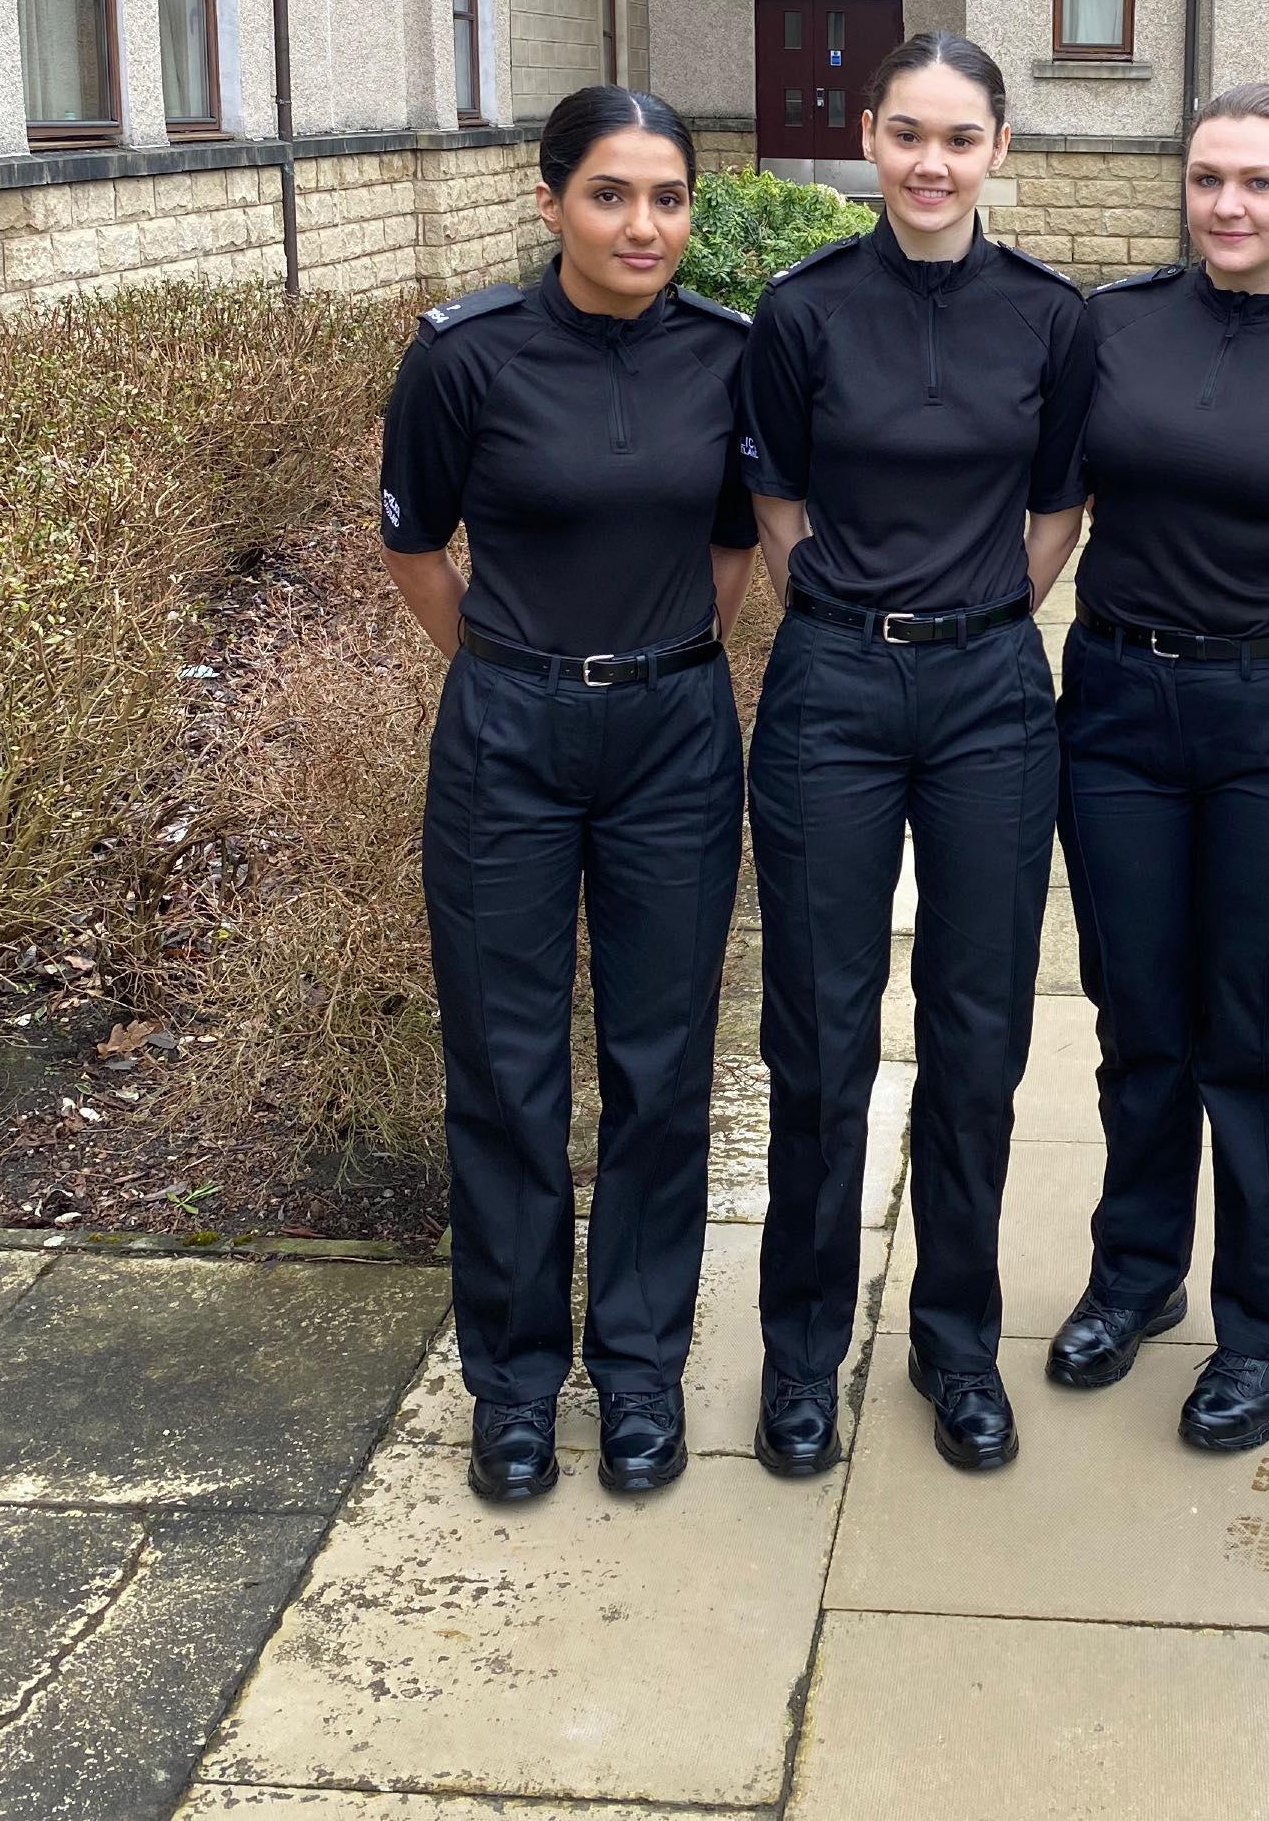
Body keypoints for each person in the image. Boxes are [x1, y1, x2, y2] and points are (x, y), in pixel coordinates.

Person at [380, 86, 758, 1502]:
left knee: (662, 1069)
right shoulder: (464, 357)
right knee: (508, 1070)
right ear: (550, 203)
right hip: (509, 740)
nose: (642, 225)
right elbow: (420, 551)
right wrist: (511, 667)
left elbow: (731, 548)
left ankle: (643, 1371)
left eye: (666, 198)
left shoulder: (729, 357)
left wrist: (657, 660)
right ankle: (518, 1382)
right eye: (610, 195)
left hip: (671, 737)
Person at [742, 32, 1095, 1476]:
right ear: (870, 141)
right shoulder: (801, 310)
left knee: (977, 1033)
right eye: (907, 136)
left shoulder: (1051, 320)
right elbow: (776, 505)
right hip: (833, 686)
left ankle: (956, 1344)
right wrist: (853, 617)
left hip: (992, 696)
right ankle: (803, 1354)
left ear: (998, 149)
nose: (931, 164)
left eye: (961, 138)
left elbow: (1057, 509)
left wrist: (982, 618)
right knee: (819, 1036)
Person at [1044, 83, 1269, 1453]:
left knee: (1263, 1024)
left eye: (1259, 182)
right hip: (1122, 704)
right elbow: (1059, 507)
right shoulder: (1112, 327)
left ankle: (1268, 1326)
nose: (1229, 206)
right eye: (1207, 180)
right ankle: (1136, 1274)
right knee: (1138, 1016)